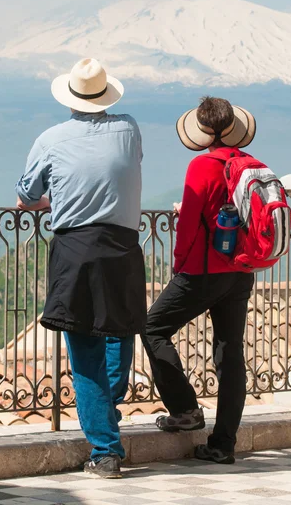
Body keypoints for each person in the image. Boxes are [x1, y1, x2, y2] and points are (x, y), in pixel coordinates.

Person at [15, 58, 146, 479]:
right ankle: (108, 413)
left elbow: (25, 194)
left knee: (85, 353)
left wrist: (58, 198)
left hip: (76, 250)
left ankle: (106, 451)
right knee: (119, 332)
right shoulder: (129, 129)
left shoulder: (51, 138)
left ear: (70, 97)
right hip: (124, 248)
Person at [142, 96, 256, 465]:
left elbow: (190, 224)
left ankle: (186, 409)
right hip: (241, 271)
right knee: (230, 352)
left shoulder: (202, 165)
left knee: (153, 327)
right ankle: (223, 444)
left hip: (204, 270)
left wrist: (179, 265)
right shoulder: (249, 164)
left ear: (203, 129)